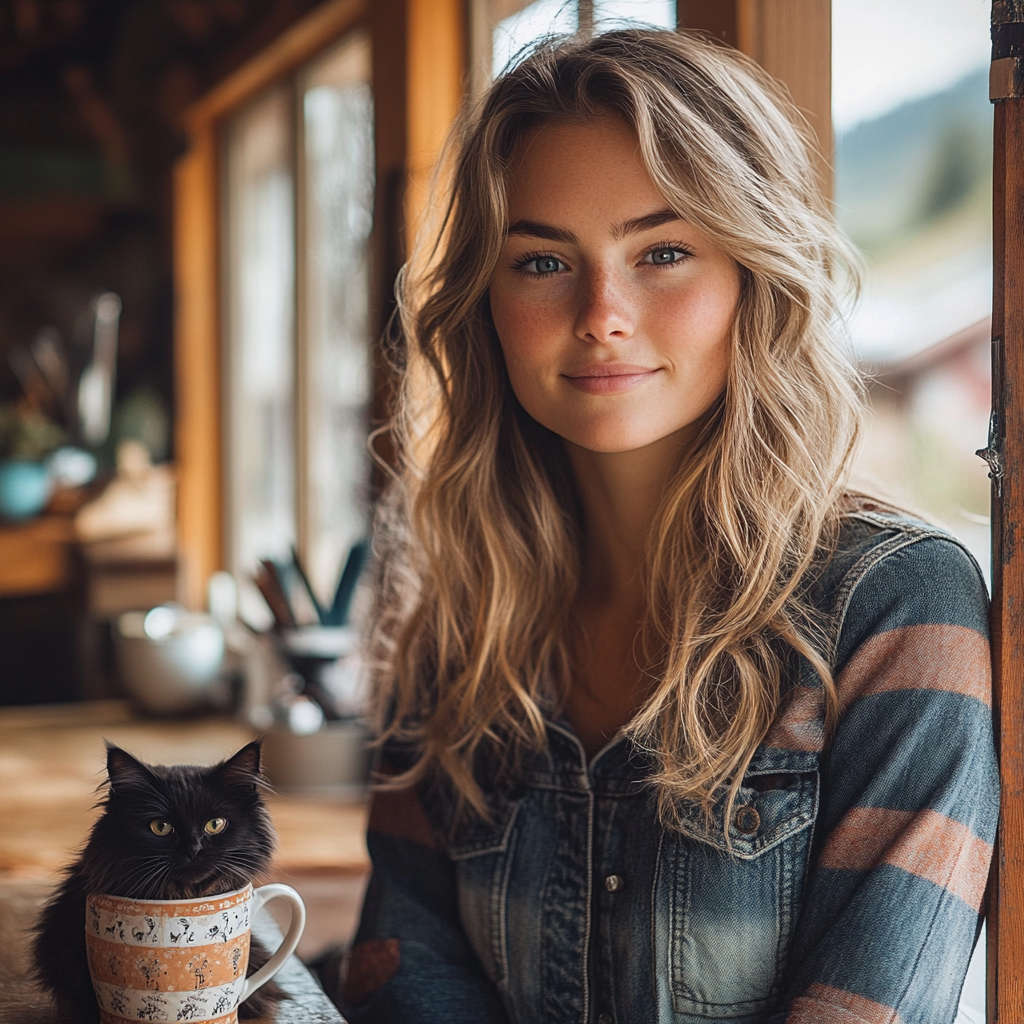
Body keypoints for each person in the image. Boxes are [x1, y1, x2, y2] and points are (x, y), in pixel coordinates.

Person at [322, 28, 997, 1024]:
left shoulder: (897, 609)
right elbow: (400, 963)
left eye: (664, 251)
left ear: (752, 277)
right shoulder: (461, 615)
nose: (602, 312)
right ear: (486, 305)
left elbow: (866, 1009)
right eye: (543, 260)